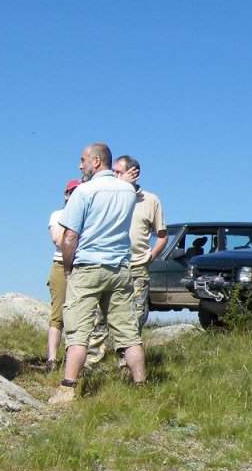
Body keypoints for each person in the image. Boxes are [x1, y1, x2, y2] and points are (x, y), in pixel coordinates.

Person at [50, 143, 146, 404]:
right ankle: (141, 386)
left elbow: (69, 237)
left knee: (78, 331)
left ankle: (68, 388)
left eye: (83, 160)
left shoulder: (84, 191)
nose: (80, 165)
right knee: (128, 332)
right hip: (119, 268)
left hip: (88, 266)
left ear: (95, 161)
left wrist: (68, 267)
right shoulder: (128, 192)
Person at [114, 155, 167, 331]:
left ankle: (129, 348)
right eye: (113, 172)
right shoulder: (110, 196)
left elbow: (162, 235)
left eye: (119, 172)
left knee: (136, 316)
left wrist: (150, 257)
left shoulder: (150, 200)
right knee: (105, 315)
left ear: (134, 174)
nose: (114, 176)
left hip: (138, 266)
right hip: (112, 265)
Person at [46, 179, 81, 370]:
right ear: (66, 195)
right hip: (60, 265)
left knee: (79, 315)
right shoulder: (58, 215)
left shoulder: (88, 215)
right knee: (58, 314)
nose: (75, 195)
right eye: (72, 192)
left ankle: (74, 359)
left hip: (81, 266)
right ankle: (52, 359)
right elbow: (59, 240)